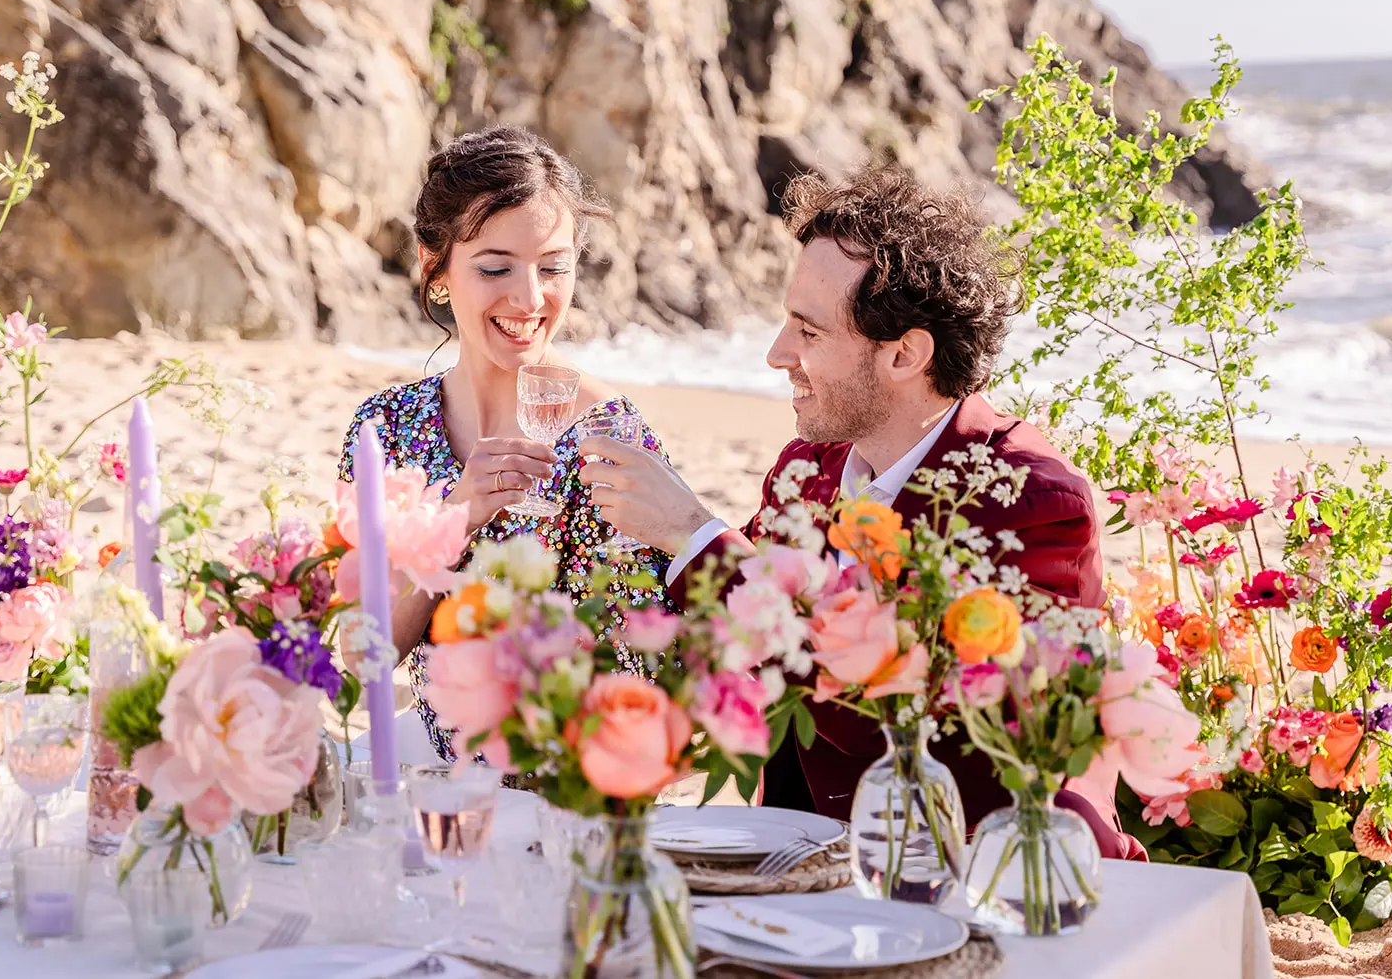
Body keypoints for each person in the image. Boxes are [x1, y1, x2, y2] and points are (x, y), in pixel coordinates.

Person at [581, 164, 1143, 859]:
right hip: (807, 863)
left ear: (905, 353)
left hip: (993, 874)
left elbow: (898, 716)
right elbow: (747, 650)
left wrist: (693, 533)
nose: (776, 353)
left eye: (808, 332)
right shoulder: (805, 468)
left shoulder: (1031, 502)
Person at [340, 125, 673, 764]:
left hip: (572, 785)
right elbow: (364, 653)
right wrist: (457, 520)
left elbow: (648, 659)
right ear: (434, 269)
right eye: (495, 268)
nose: (529, 298)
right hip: (438, 779)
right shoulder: (385, 428)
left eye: (553, 268)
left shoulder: (610, 435)